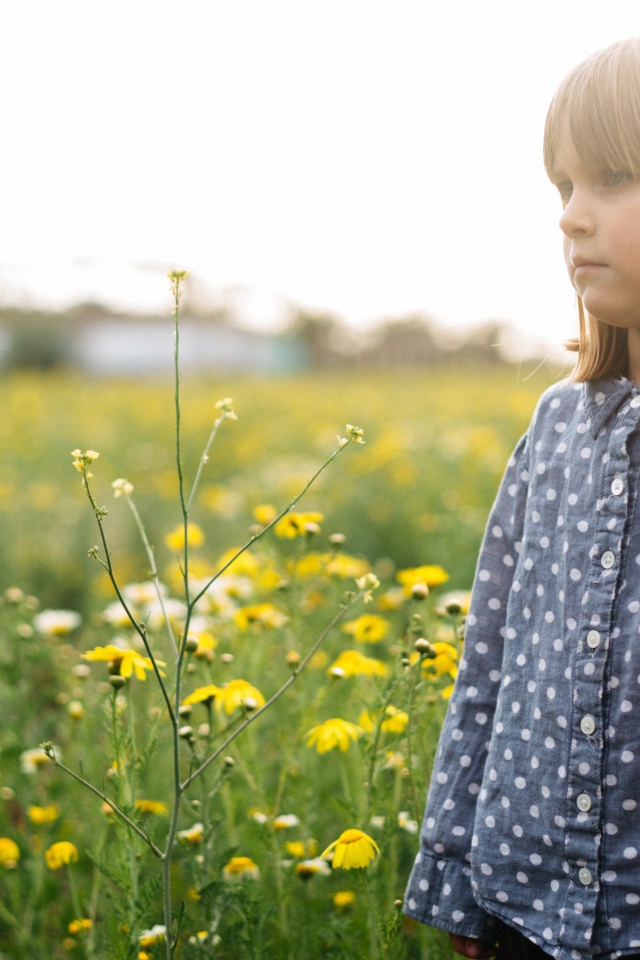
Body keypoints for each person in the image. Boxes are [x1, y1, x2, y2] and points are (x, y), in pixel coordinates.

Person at [403, 37, 640, 960]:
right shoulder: (556, 429)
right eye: (562, 187)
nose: (572, 219)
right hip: (522, 910)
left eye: (615, 178)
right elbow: (487, 663)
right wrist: (454, 878)